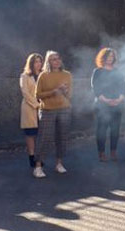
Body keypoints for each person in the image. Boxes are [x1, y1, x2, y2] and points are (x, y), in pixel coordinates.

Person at [33, 50, 72, 178]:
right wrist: (53, 92)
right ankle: (38, 166)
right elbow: (38, 95)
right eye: (53, 59)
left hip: (64, 109)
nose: (57, 61)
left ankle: (59, 163)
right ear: (48, 62)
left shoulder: (67, 75)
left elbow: (70, 95)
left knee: (62, 137)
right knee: (45, 137)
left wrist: (64, 91)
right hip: (47, 110)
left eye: (58, 58)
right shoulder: (43, 75)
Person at [91, 48, 125, 162]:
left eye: (112, 57)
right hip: (102, 106)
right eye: (108, 57)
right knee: (102, 130)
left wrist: (120, 99)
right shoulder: (98, 71)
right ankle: (101, 153)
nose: (110, 59)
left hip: (117, 104)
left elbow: (123, 87)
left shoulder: (118, 72)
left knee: (115, 130)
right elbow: (95, 88)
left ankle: (113, 152)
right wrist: (106, 100)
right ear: (103, 58)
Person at [20, 53, 43, 168]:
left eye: (40, 61)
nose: (38, 64)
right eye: (36, 61)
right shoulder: (24, 76)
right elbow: (25, 93)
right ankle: (31, 157)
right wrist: (37, 104)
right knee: (30, 135)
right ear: (31, 63)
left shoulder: (44, 75)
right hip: (30, 108)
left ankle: (39, 157)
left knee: (40, 134)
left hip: (43, 108)